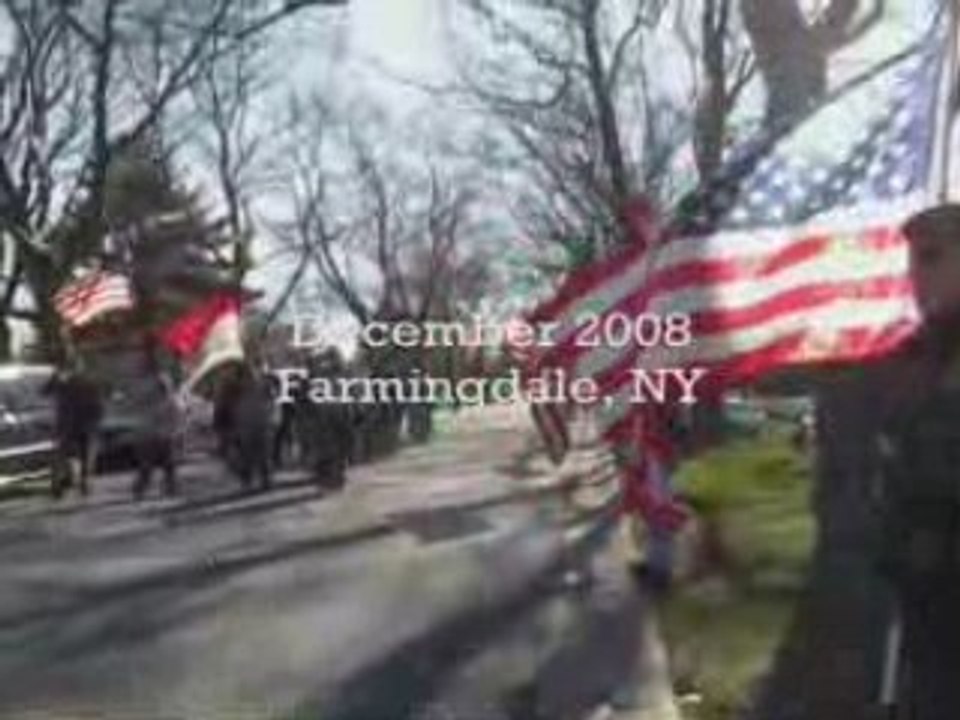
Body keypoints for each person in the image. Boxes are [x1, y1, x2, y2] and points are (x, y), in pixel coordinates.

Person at [875, 203, 960, 718]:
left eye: (932, 258)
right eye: (912, 263)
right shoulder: (914, 359)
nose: (916, 277)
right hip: (921, 597)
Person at [44, 360, 103, 499]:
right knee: (77, 455)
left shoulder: (70, 382)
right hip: (77, 425)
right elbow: (97, 404)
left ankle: (68, 485)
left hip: (75, 424)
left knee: (69, 455)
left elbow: (45, 391)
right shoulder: (74, 382)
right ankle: (71, 484)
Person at [129, 369, 181, 500]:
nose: (162, 387)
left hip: (163, 437)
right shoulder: (154, 401)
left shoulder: (170, 401)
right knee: (148, 467)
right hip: (152, 438)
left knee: (169, 465)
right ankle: (139, 489)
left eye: (163, 385)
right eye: (161, 385)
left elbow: (176, 418)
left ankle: (169, 487)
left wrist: (174, 431)